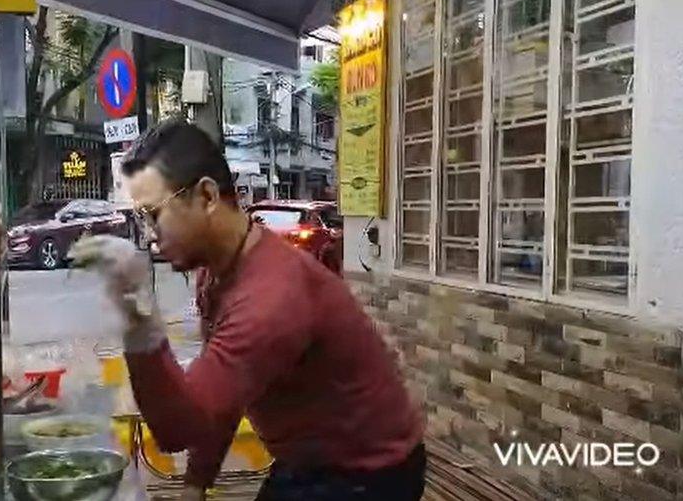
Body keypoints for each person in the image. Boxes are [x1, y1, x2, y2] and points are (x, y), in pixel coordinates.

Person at [69, 120, 425, 501]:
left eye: (155, 214)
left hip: (369, 474)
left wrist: (139, 318)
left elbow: (176, 430)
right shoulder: (216, 271)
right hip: (307, 459)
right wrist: (196, 482)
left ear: (206, 197)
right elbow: (222, 397)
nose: (151, 235)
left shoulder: (270, 297)